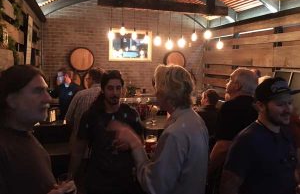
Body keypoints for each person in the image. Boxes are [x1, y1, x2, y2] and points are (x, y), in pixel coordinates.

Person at [110, 64, 209, 194]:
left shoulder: (175, 133)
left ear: (166, 93)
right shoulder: (195, 119)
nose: (155, 93)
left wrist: (134, 143)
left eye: (157, 87)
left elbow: (155, 186)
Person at [0, 65, 76, 194]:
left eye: (46, 91)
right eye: (38, 91)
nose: (48, 98)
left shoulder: (26, 135)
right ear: (12, 100)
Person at [69, 70, 144, 194]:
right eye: (110, 88)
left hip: (126, 180)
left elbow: (141, 142)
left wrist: (130, 144)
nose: (115, 93)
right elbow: (78, 151)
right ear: (103, 90)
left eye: (118, 88)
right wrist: (70, 176)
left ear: (122, 89)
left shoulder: (131, 114)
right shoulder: (91, 116)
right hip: (98, 181)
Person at [220, 77, 300, 194]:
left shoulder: (286, 134)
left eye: (289, 103)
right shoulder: (247, 141)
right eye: (280, 104)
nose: (288, 109)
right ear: (260, 106)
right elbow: (228, 187)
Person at [208, 68, 258, 194]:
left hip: (230, 170)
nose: (227, 83)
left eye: (230, 79)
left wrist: (207, 170)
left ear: (237, 85)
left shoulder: (230, 107)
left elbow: (223, 147)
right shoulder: (258, 107)